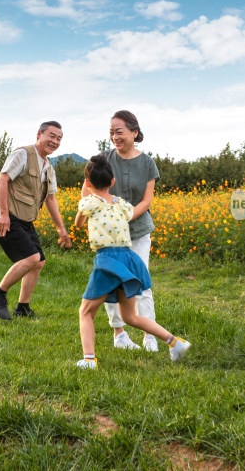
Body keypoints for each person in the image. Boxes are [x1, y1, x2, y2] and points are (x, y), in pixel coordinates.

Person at [73, 154, 190, 369]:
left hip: (108, 260)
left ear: (87, 183)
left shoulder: (89, 203)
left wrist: (86, 192)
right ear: (112, 182)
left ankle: (89, 360)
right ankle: (175, 342)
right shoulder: (122, 204)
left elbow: (78, 223)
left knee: (86, 312)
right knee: (130, 316)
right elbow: (127, 215)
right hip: (128, 259)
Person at [83, 110, 162, 352]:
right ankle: (120, 334)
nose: (115, 137)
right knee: (111, 285)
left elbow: (146, 201)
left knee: (141, 282)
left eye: (119, 132)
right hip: (109, 238)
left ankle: (150, 335)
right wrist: (106, 215)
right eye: (111, 133)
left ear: (134, 132)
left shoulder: (148, 163)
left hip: (138, 232)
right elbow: (87, 192)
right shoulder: (102, 159)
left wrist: (124, 216)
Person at [0, 121, 72, 320]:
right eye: (51, 136)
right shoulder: (23, 154)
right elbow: (2, 180)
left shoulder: (49, 167)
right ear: (39, 134)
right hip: (8, 216)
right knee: (31, 258)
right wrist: (5, 215)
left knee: (39, 262)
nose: (55, 141)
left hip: (25, 220)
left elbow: (50, 199)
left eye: (59, 138)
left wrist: (61, 229)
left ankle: (22, 308)